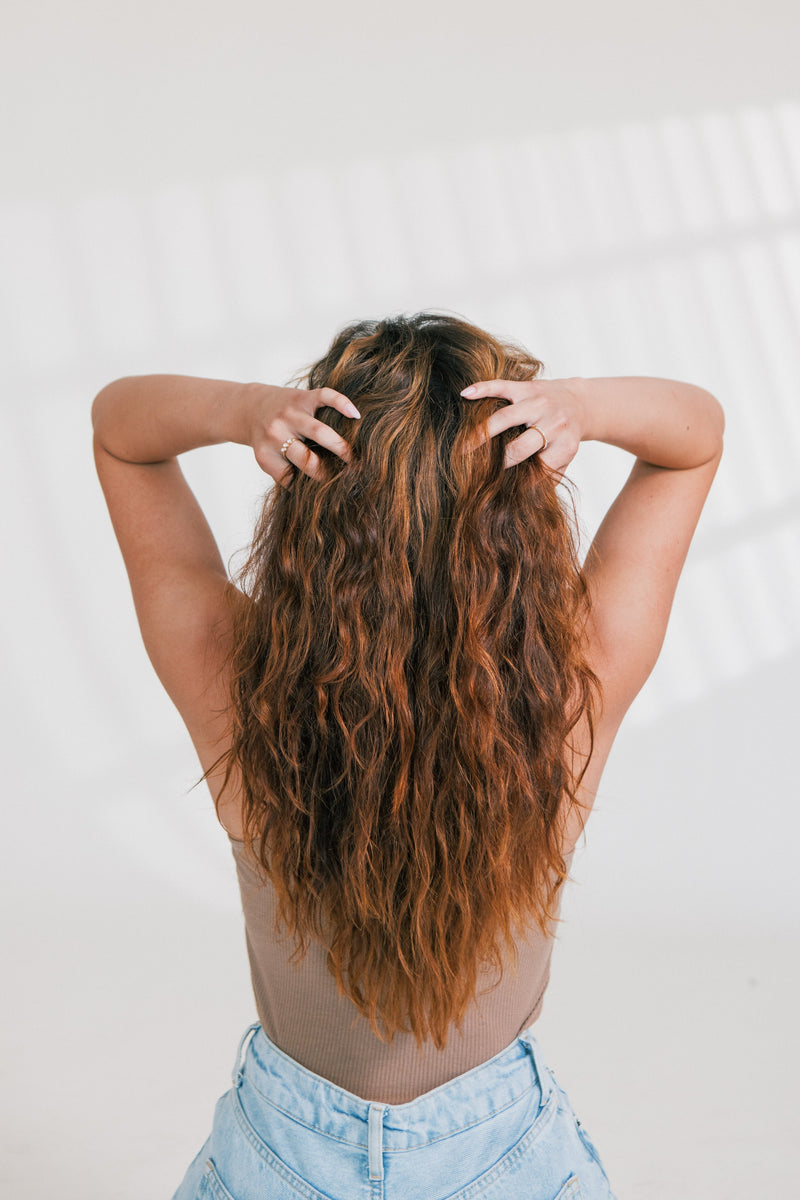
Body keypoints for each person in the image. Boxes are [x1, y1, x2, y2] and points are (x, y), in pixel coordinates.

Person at [91, 311, 725, 1200]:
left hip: (277, 1161)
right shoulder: (573, 692)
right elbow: (694, 438)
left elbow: (122, 432)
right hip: (510, 1164)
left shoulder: (236, 687)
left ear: (313, 510)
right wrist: (579, 405)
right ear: (517, 517)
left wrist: (246, 411)